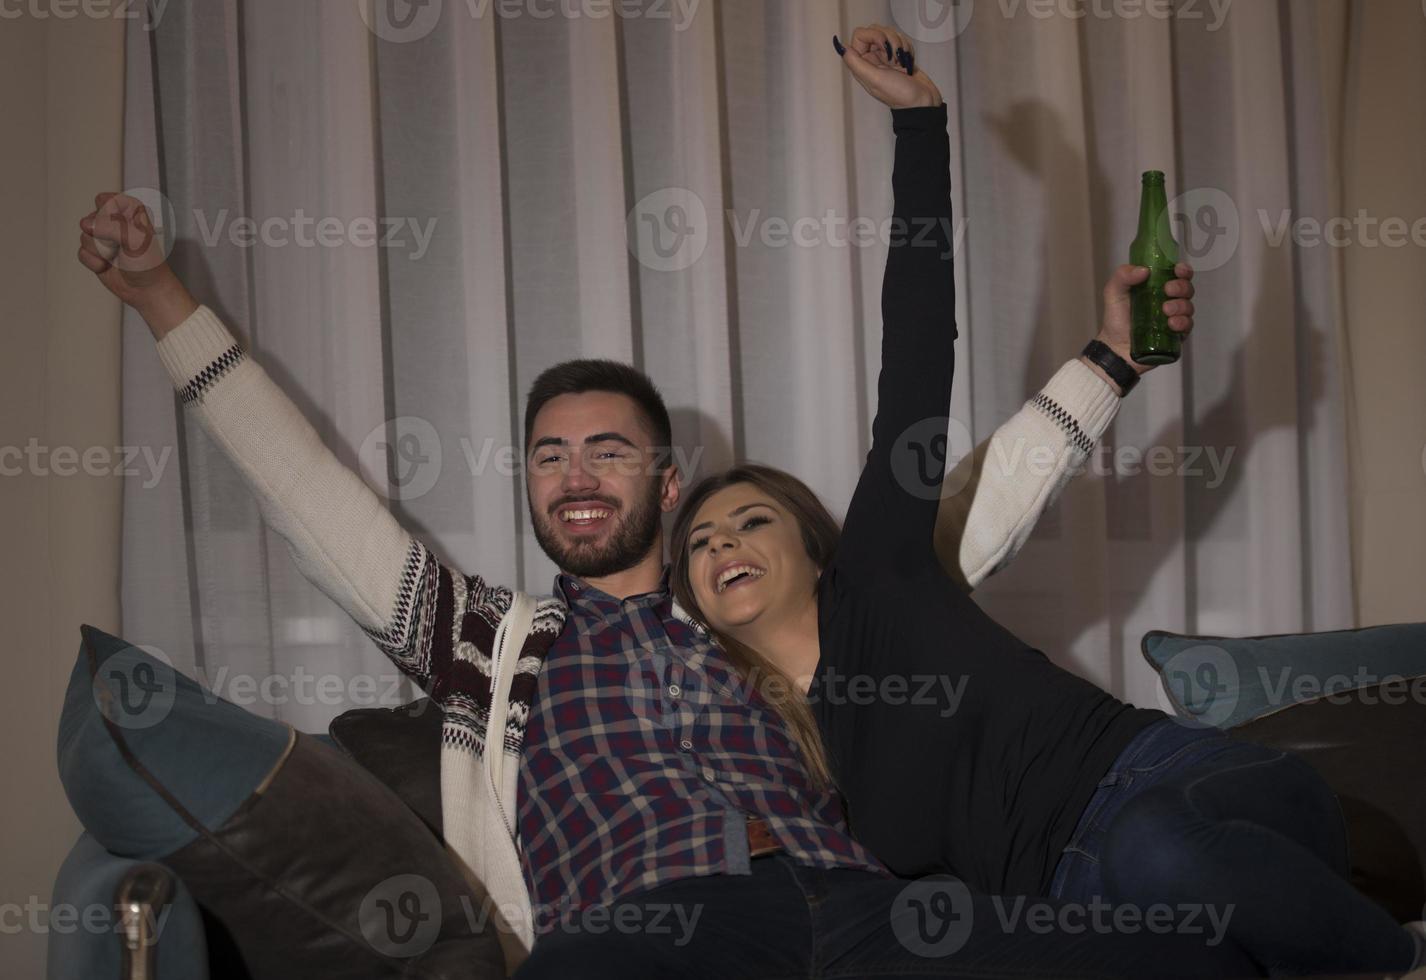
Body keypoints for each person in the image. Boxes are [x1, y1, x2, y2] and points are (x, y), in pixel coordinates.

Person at [77, 22, 1250, 979]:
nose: (576, 474)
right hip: (650, 925)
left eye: (607, 450)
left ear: (666, 478)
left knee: (1187, 955)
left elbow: (975, 504)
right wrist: (159, 297)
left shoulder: (763, 601)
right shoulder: (485, 642)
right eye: (549, 456)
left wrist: (1111, 360)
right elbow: (303, 486)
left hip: (854, 905)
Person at [668, 28, 1426, 979]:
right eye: (699, 542)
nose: (724, 542)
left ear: (816, 545)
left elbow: (915, 350)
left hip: (1183, 791)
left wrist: (919, 124)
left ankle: (1397, 960)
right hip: (1079, 915)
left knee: (1156, 852)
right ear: (690, 598)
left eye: (751, 519)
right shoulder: (782, 756)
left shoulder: (882, 573)